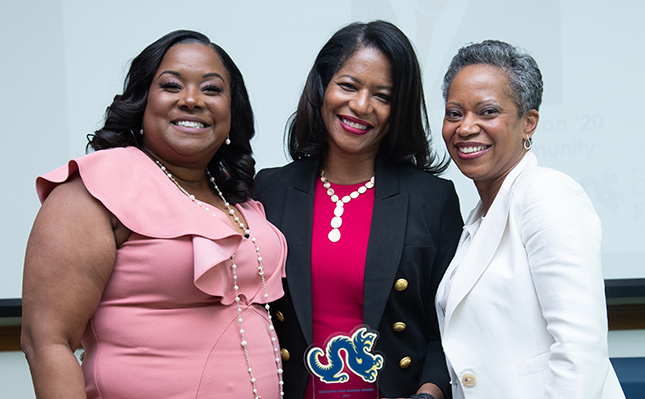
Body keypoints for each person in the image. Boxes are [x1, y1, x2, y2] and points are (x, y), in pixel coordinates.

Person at [20, 30, 287, 399]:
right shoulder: (97, 187)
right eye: (172, 85)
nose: (192, 100)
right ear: (143, 101)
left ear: (232, 110)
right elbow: (46, 342)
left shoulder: (238, 198)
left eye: (211, 89)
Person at [254, 21, 463, 399]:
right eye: (348, 86)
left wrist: (428, 395)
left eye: (382, 96)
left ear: (397, 109)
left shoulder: (433, 199)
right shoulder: (268, 190)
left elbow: (448, 329)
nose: (361, 106)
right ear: (322, 87)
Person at [435, 39, 625, 399]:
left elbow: (579, 350)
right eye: (454, 113)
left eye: (487, 112)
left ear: (529, 123)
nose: (465, 127)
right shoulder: (479, 218)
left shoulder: (547, 195)